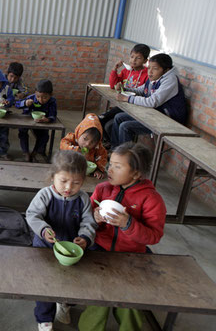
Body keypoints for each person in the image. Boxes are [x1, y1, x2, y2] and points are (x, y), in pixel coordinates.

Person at [78, 142, 166, 331]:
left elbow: (154, 236)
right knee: (98, 296)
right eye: (111, 164)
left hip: (131, 254)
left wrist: (128, 224)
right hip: (100, 248)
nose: (110, 169)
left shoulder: (151, 199)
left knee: (130, 302)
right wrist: (95, 217)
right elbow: (86, 216)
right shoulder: (103, 189)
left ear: (136, 173)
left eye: (118, 166)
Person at [26, 150, 96, 330]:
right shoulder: (45, 195)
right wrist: (43, 230)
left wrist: (85, 238)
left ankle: (65, 305)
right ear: (52, 177)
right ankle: (44, 318)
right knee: (45, 284)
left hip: (72, 250)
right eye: (63, 181)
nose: (68, 187)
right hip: (44, 248)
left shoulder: (83, 199)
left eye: (76, 183)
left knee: (73, 282)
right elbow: (33, 215)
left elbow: (88, 222)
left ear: (83, 181)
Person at [111, 53, 187, 147]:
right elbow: (141, 90)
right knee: (119, 117)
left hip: (169, 121)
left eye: (155, 68)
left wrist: (127, 98)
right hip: (154, 115)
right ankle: (115, 151)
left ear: (166, 70)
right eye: (149, 68)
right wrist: (125, 88)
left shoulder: (170, 80)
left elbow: (152, 102)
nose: (150, 72)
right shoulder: (155, 78)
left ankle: (127, 158)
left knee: (125, 127)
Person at [100, 44, 150, 141]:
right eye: (132, 57)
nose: (133, 60)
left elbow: (144, 93)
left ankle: (114, 148)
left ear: (145, 61)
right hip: (122, 106)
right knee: (101, 119)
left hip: (134, 108)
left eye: (138, 58)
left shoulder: (147, 74)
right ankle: (108, 144)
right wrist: (115, 69)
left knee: (109, 125)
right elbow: (113, 85)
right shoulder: (126, 71)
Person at [16, 79, 57, 163]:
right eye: (38, 97)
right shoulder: (31, 98)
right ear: (35, 93)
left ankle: (35, 153)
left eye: (44, 97)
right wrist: (25, 103)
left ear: (51, 95)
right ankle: (26, 152)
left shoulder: (52, 101)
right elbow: (17, 104)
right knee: (22, 131)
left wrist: (48, 119)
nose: (40, 100)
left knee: (44, 136)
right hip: (27, 119)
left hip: (41, 122)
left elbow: (53, 114)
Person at [60, 113, 107, 179]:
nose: (87, 144)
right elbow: (63, 144)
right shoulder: (72, 138)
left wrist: (98, 170)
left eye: (92, 142)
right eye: (85, 139)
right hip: (68, 170)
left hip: (87, 175)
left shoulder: (97, 147)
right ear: (79, 133)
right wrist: (74, 149)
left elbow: (103, 156)